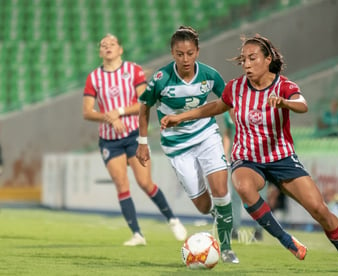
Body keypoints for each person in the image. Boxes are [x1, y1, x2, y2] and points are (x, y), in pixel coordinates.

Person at [160, 34, 338, 272]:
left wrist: (284, 103)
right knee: (243, 187)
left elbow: (302, 103)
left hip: (282, 158)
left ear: (267, 60)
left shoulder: (283, 86)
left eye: (252, 58)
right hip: (247, 159)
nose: (246, 64)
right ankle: (286, 240)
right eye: (243, 60)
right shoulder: (235, 88)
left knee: (320, 210)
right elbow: (215, 106)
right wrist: (180, 117)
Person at [136, 26, 239, 264]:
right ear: (172, 53)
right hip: (177, 147)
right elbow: (144, 107)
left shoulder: (210, 75)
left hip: (206, 136)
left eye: (190, 53)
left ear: (197, 52)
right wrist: (143, 142)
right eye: (180, 54)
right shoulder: (161, 79)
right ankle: (220, 216)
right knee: (203, 207)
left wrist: (236, 129)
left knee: (221, 191)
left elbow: (228, 102)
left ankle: (226, 248)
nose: (185, 59)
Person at [82, 33, 187, 246]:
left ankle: (172, 219)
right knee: (121, 184)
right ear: (100, 52)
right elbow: (87, 112)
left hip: (133, 136)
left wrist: (118, 112)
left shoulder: (133, 71)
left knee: (145, 182)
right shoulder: (94, 77)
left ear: (120, 49)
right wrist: (109, 117)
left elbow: (143, 102)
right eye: (103, 45)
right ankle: (137, 234)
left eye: (112, 43)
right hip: (109, 140)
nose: (107, 46)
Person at [222, 110, 265, 241]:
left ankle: (260, 229)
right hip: (238, 159)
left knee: (260, 195)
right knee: (235, 195)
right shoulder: (227, 112)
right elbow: (228, 133)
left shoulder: (257, 109)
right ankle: (234, 229)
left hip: (259, 158)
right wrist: (224, 154)